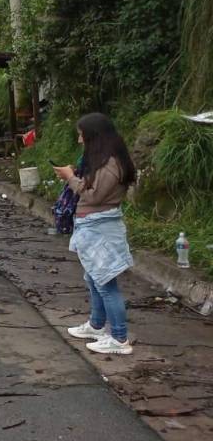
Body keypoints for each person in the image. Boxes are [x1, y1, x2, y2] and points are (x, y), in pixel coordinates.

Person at [55, 113, 138, 355]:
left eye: (82, 135)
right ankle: (96, 325)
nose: (80, 140)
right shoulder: (104, 161)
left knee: (105, 283)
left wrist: (71, 178)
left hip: (101, 228)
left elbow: (93, 195)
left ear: (94, 136)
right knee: (94, 279)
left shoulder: (112, 164)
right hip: (92, 226)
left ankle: (119, 338)